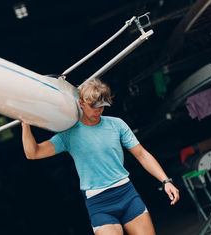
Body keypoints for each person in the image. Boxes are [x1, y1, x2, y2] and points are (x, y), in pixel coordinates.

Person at [21, 78, 179, 235]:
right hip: (99, 203)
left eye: (102, 106)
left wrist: (165, 181)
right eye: (93, 107)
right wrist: (25, 125)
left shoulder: (116, 125)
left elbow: (142, 154)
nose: (98, 111)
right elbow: (33, 153)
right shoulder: (69, 135)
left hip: (127, 194)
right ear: (81, 103)